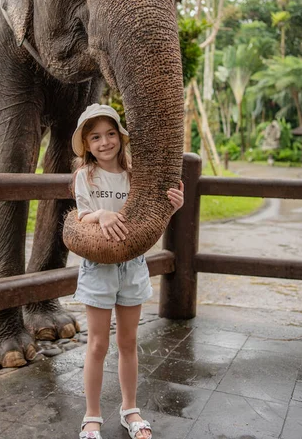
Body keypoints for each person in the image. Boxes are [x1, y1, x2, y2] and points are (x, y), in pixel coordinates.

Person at [71, 103, 184, 439]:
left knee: (129, 341)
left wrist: (172, 206)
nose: (104, 142)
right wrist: (101, 215)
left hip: (133, 265)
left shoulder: (137, 175)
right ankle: (92, 415)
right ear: (87, 144)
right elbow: (81, 216)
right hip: (98, 267)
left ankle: (130, 409)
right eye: (95, 137)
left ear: (120, 136)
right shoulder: (84, 176)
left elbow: (149, 217)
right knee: (96, 344)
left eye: (110, 134)